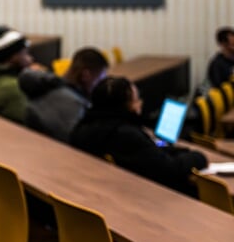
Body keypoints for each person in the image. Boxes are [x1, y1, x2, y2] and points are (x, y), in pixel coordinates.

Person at [71, 76, 208, 196]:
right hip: (148, 195)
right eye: (136, 100)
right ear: (126, 106)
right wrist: (198, 157)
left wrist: (177, 151)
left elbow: (151, 152)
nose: (140, 104)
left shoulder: (85, 127)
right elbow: (170, 170)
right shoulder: (126, 135)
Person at [19, 47, 109, 142]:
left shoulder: (52, 87)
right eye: (100, 79)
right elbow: (78, 142)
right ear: (86, 75)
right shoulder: (72, 103)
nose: (101, 84)